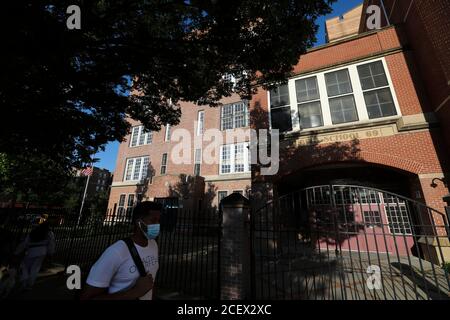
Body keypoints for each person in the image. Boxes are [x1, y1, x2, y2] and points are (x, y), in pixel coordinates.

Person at [80, 201, 161, 300]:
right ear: (138, 222)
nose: (157, 225)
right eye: (153, 220)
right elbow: (87, 298)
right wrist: (134, 293)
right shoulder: (116, 252)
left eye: (158, 220)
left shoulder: (153, 245)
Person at [14, 220, 56, 290]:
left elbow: (25, 243)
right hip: (42, 251)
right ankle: (29, 284)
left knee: (25, 266)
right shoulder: (49, 233)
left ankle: (24, 282)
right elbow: (51, 244)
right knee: (35, 268)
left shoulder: (34, 231)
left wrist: (17, 252)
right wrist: (50, 253)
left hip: (31, 250)